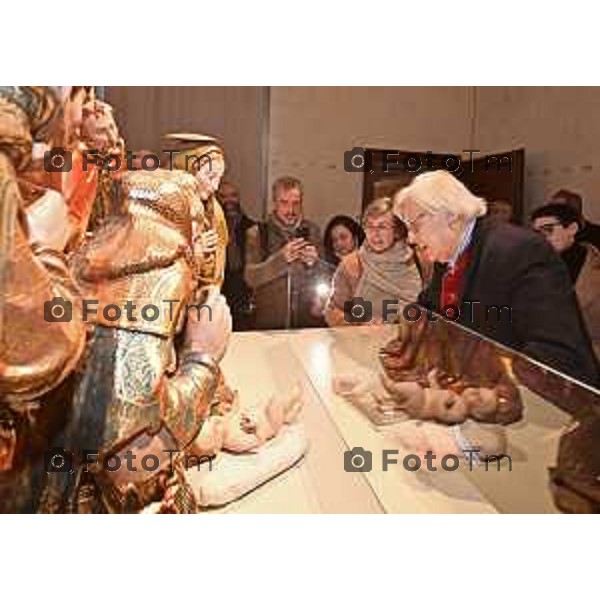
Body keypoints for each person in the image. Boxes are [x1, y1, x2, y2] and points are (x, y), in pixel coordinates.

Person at [393, 170, 599, 388]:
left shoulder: (519, 249)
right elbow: (429, 310)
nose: (411, 239)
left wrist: (477, 389)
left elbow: (555, 353)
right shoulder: (448, 253)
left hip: (545, 404)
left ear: (450, 216)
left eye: (414, 226)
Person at [325, 197, 422, 327]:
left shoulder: (416, 260)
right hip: (360, 341)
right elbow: (332, 312)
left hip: (405, 342)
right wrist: (360, 324)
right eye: (370, 226)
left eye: (382, 227)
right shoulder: (351, 264)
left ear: (397, 231)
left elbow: (424, 311)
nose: (375, 234)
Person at [245, 176, 324, 329]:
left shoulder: (313, 231)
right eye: (284, 203)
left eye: (296, 203)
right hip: (268, 325)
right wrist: (280, 260)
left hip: (306, 324)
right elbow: (250, 277)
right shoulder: (257, 233)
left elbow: (326, 277)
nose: (290, 210)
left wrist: (315, 264)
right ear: (274, 203)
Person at [531, 202, 600, 361]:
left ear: (572, 229)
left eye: (548, 230)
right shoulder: (534, 267)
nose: (541, 238)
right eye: (536, 233)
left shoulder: (594, 271)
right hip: (546, 363)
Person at [217, 181, 256, 330]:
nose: (229, 200)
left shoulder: (253, 228)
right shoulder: (208, 228)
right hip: (219, 304)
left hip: (246, 306)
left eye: (233, 195)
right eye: (223, 196)